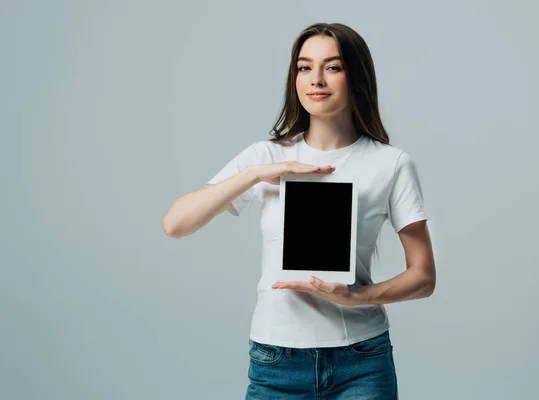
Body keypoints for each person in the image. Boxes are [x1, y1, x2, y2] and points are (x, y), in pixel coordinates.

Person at [163, 22, 436, 400]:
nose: (316, 79)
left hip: (361, 360)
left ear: (355, 76)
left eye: (333, 67)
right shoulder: (266, 156)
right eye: (305, 67)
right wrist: (257, 174)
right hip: (276, 362)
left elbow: (423, 276)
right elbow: (176, 224)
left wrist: (357, 296)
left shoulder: (390, 164)